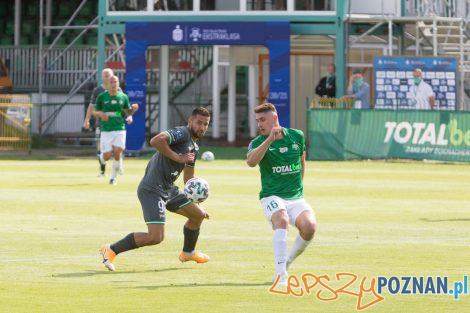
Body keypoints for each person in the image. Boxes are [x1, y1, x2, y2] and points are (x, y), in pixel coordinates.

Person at [99, 107, 212, 271]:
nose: (202, 127)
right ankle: (110, 250)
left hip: (169, 189)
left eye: (206, 124)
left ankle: (188, 253)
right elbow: (156, 140)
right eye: (199, 122)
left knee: (198, 215)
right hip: (152, 189)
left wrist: (196, 200)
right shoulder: (182, 133)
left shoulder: (194, 146)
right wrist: (177, 157)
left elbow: (188, 178)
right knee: (155, 237)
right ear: (190, 121)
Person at [246, 103, 317, 285]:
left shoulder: (296, 136)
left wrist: (299, 189)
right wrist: (269, 139)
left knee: (309, 227)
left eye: (263, 120)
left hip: (295, 197)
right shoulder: (257, 142)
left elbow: (302, 162)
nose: (259, 124)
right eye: (257, 121)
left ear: (275, 118)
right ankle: (280, 275)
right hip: (271, 196)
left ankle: (287, 263)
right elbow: (251, 163)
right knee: (282, 219)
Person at [93, 75, 138, 185]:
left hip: (120, 128)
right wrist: (100, 114)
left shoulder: (123, 97)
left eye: (115, 82)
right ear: (107, 84)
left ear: (118, 84)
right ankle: (102, 158)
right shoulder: (102, 97)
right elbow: (95, 112)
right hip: (106, 130)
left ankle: (113, 178)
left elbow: (128, 112)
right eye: (111, 82)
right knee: (107, 155)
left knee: (118, 152)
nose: (113, 84)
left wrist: (133, 111)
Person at [83, 68, 122, 176]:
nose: (107, 77)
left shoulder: (118, 90)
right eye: (105, 75)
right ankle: (102, 170)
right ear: (102, 77)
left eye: (108, 75)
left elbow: (123, 108)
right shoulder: (98, 91)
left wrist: (126, 116)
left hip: (116, 125)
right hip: (101, 125)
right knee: (102, 148)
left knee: (117, 148)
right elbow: (92, 107)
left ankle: (117, 169)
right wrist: (87, 119)